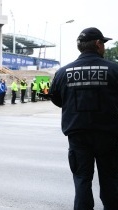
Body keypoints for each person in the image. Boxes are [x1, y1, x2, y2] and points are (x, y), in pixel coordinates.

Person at [49, 27, 118, 210]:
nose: (103, 47)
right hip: (109, 136)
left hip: (78, 137)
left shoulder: (63, 72)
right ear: (97, 44)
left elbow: (56, 99)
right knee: (111, 182)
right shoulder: (114, 70)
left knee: (81, 182)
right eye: (103, 43)